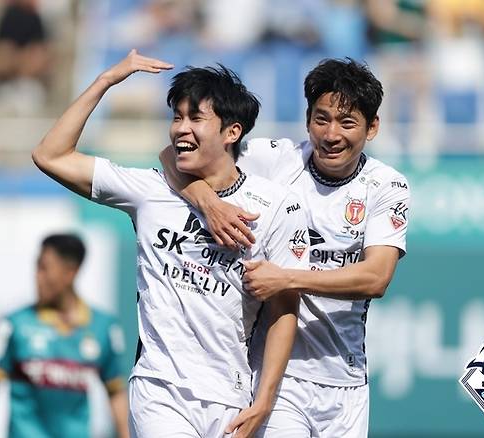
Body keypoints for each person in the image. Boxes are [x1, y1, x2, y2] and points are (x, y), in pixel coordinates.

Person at [31, 50, 310, 438]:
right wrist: (106, 80)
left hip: (231, 397)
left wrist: (263, 401)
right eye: (176, 117)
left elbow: (284, 307)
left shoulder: (275, 206)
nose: (181, 128)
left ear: (233, 132)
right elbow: (50, 155)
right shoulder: (149, 190)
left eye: (195, 118)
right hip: (159, 389)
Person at [160, 58, 411, 437]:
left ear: (372, 127)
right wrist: (208, 202)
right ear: (307, 117)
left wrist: (285, 278)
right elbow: (174, 157)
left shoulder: (386, 186)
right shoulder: (274, 157)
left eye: (347, 123)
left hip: (347, 380)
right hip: (277, 377)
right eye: (321, 119)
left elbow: (376, 277)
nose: (331, 135)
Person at [0, 233, 129, 438]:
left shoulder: (103, 327)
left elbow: (116, 393)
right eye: (37, 267)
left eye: (44, 268)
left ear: (70, 273)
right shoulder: (15, 324)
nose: (37, 276)